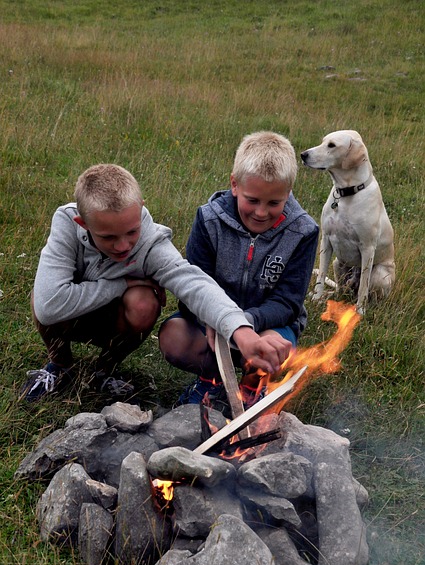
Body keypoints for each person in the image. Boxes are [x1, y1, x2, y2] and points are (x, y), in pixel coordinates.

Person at [21, 163, 290, 402]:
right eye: (108, 237)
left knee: (144, 303)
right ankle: (61, 365)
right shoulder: (67, 224)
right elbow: (49, 306)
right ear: (83, 223)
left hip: (114, 318)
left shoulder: (151, 242)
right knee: (40, 297)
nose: (124, 245)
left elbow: (194, 283)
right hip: (69, 315)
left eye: (132, 231)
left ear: (140, 209)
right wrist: (122, 283)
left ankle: (103, 370)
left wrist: (240, 331)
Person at [159, 131, 319, 409]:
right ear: (234, 184)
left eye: (274, 203)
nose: (261, 212)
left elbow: (288, 302)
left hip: (268, 325)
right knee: (174, 337)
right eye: (252, 200)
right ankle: (211, 381)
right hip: (208, 324)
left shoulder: (303, 231)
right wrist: (219, 321)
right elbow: (192, 289)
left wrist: (243, 323)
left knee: (275, 349)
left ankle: (251, 389)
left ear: (289, 192)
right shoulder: (209, 219)